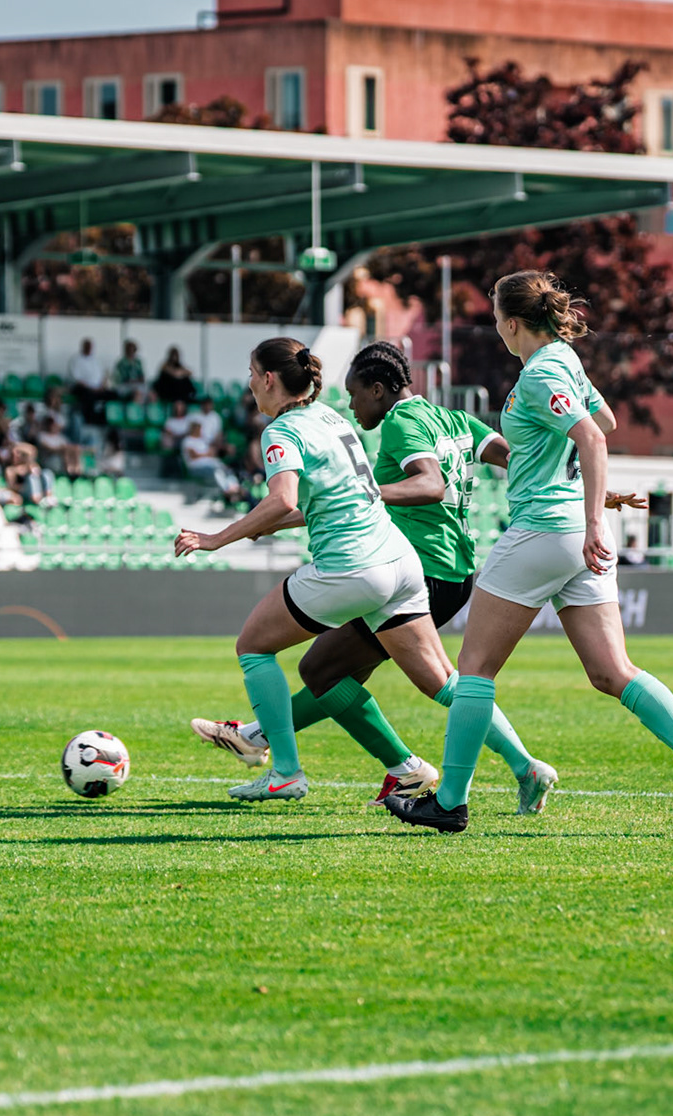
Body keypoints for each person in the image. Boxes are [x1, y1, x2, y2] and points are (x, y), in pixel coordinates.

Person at [193, 342, 645, 811]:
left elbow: (431, 484)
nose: (351, 404)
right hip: (448, 569)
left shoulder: (401, 422)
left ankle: (319, 755)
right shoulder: (451, 418)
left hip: (411, 563)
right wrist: (597, 490)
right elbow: (523, 461)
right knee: (342, 675)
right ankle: (289, 742)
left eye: (356, 394)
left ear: (378, 389)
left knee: (335, 672)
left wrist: (361, 494)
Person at [382, 271, 673, 836]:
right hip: (573, 529)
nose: (496, 328)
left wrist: (594, 516)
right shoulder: (565, 359)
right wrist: (590, 503)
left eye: (496, 317)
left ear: (512, 322)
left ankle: (449, 802)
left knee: (473, 670)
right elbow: (606, 420)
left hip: (547, 529)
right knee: (610, 671)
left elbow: (593, 437)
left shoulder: (542, 369)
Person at [173, 337, 494, 805]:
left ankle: (283, 771)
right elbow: (336, 499)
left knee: (253, 647)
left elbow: (282, 498)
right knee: (442, 681)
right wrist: (266, 525)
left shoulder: (281, 431)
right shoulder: (332, 418)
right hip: (400, 561)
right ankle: (514, 765)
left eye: (251, 374)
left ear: (268, 379)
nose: (249, 385)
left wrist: (216, 538)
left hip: (352, 567)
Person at [179, 418, 245, 505]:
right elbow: (194, 455)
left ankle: (234, 487)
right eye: (198, 428)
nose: (200, 430)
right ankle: (226, 489)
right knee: (216, 471)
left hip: (212, 463)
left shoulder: (202, 441)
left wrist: (205, 453)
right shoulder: (188, 441)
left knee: (227, 470)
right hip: (196, 467)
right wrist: (206, 454)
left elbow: (212, 452)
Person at [68, 338, 108, 422]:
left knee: (112, 394)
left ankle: (104, 419)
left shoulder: (96, 360)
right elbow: (76, 378)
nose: (89, 348)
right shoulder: (76, 359)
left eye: (91, 346)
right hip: (82, 388)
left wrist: (102, 386)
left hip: (97, 388)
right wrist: (91, 388)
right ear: (83, 346)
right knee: (88, 394)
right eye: (87, 346)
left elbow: (103, 375)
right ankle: (89, 419)